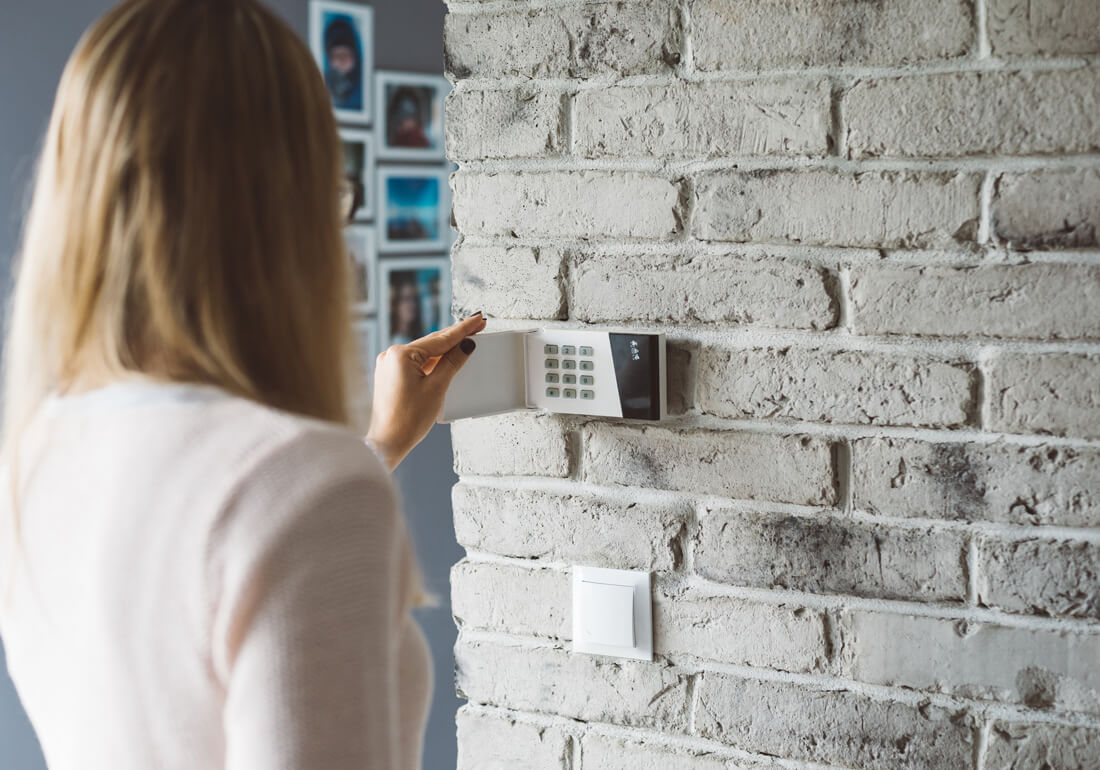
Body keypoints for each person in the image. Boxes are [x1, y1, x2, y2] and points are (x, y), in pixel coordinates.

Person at [0, 1, 485, 769]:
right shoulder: (310, 488)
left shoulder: (35, 452)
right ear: (282, 210)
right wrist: (342, 475)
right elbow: (262, 519)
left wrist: (378, 448)